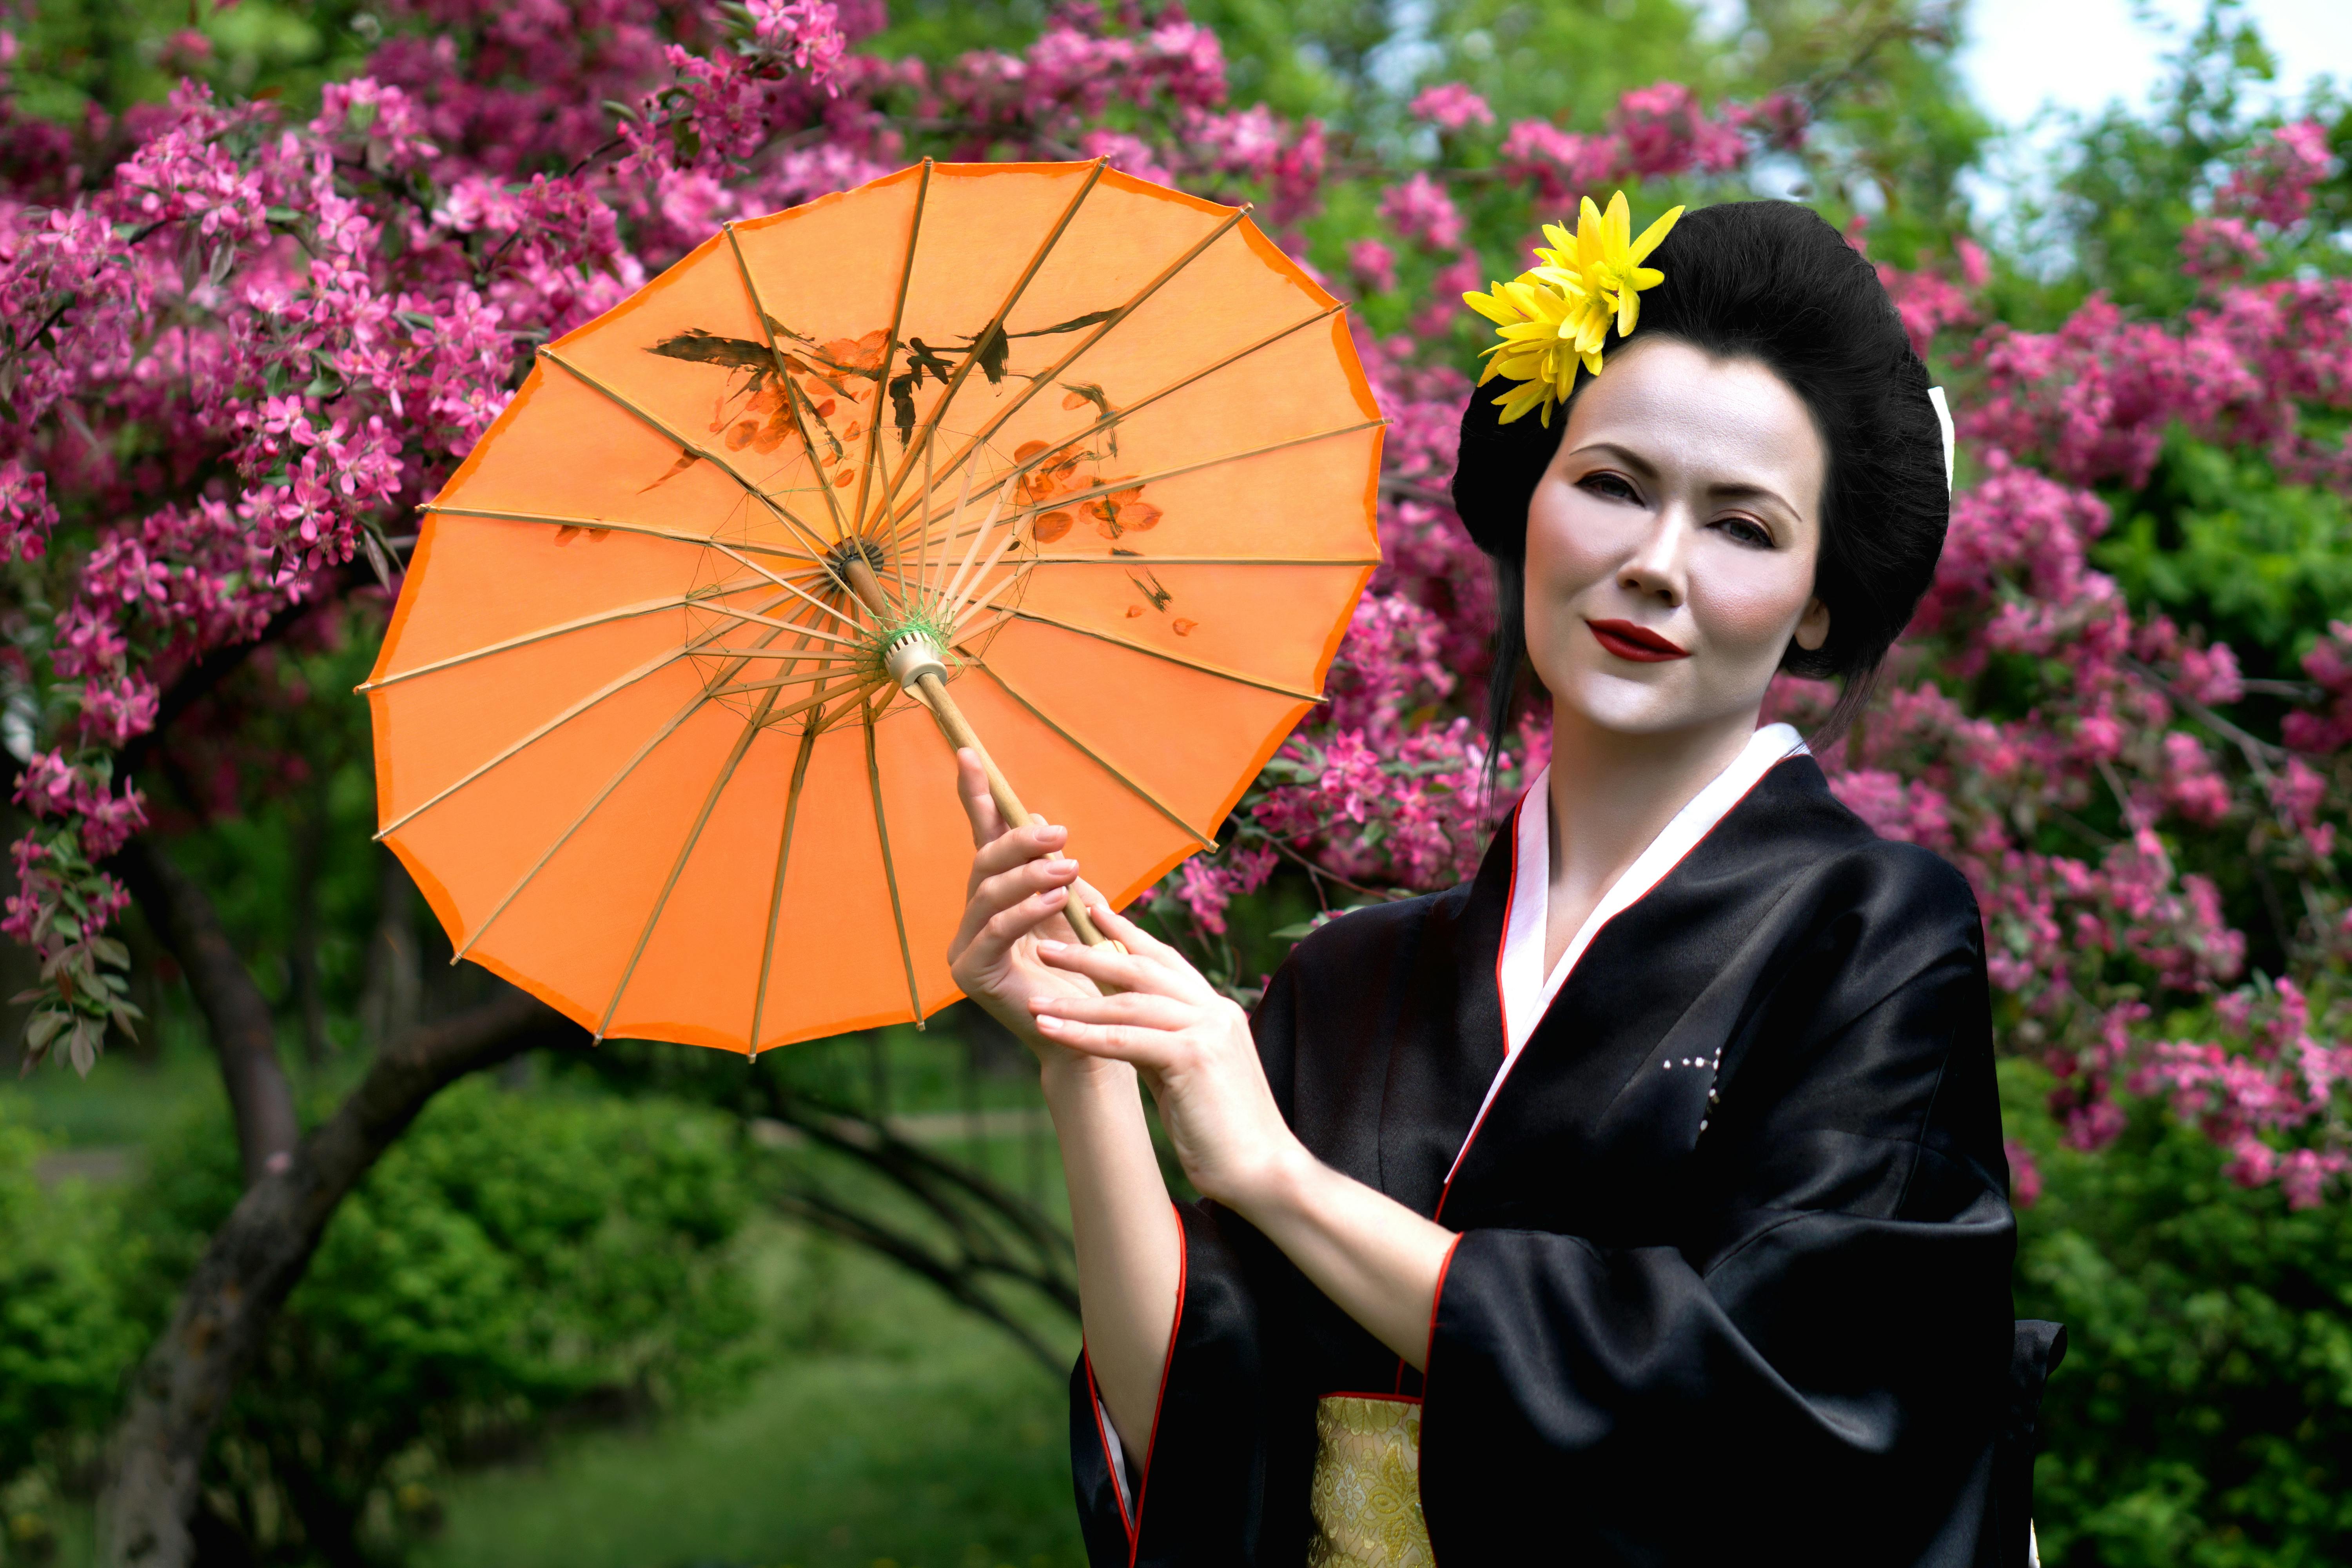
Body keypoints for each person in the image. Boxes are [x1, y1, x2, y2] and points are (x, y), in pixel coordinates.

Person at [947, 199, 2054, 1566]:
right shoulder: (1351, 978)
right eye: (1613, 484)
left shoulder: (1875, 935)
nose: (1654, 563)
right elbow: (1197, 1411)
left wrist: (1284, 1184)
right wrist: (1086, 1064)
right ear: (1533, 504)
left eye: (1745, 528)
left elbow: (1793, 1400)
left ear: (1821, 599)